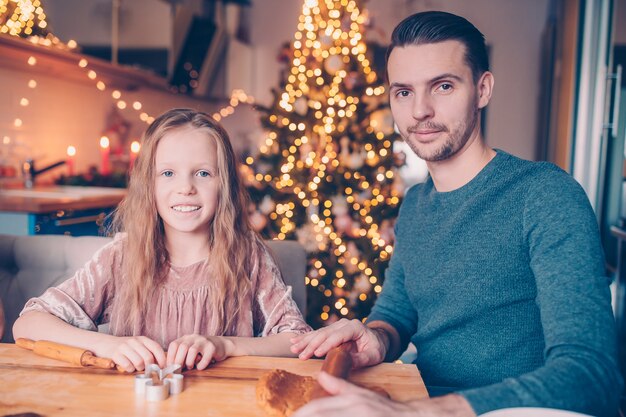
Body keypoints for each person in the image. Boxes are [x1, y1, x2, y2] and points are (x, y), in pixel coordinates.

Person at [291, 11, 622, 417]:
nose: (419, 111)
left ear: (482, 89)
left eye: (443, 86)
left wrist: (426, 412)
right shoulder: (415, 204)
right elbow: (396, 314)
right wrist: (375, 336)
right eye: (403, 92)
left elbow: (592, 375)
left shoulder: (545, 194)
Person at [13, 108, 310, 372]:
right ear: (148, 185)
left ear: (225, 185)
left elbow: (296, 339)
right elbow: (28, 323)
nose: (185, 188)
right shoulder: (122, 257)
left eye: (203, 173)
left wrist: (225, 346)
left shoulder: (247, 257)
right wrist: (107, 345)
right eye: (168, 173)